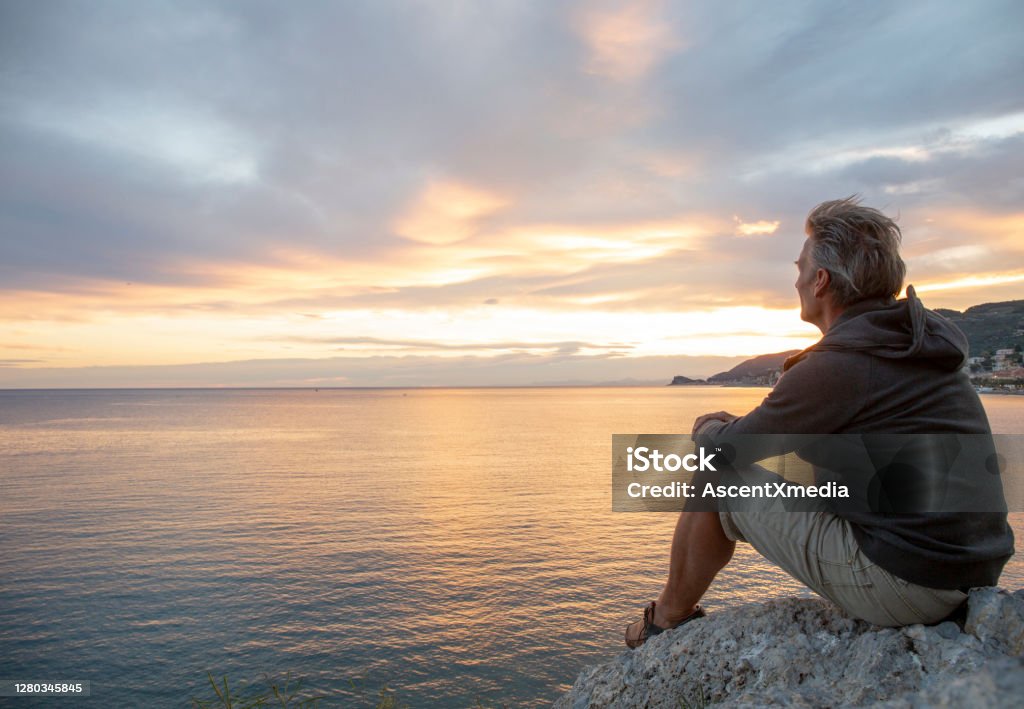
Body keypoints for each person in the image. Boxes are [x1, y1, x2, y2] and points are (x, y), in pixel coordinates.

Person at [625, 196, 1015, 647]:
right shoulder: (909, 342)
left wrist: (708, 430)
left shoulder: (845, 363)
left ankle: (664, 622)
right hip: (970, 566)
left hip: (913, 585)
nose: (796, 281)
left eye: (799, 268)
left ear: (821, 281)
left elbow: (724, 453)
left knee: (717, 477)